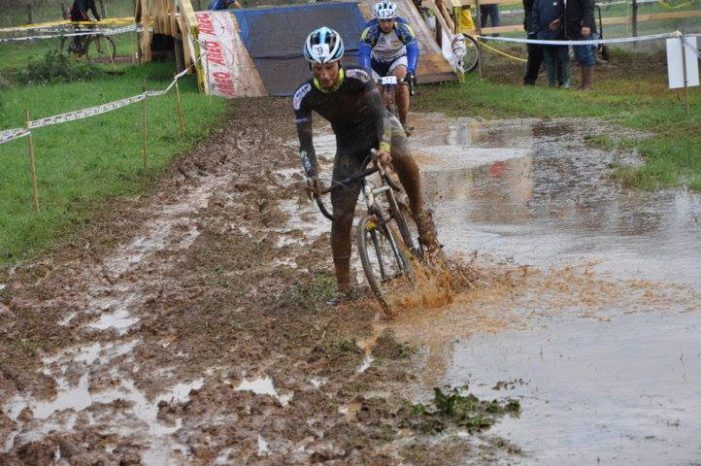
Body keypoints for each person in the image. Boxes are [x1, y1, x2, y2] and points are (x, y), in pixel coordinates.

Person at [292, 27, 438, 304]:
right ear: (311, 66)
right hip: (348, 145)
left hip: (380, 128)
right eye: (318, 68)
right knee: (341, 215)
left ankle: (419, 213)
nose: (324, 75)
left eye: (330, 67)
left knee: (401, 154)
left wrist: (383, 148)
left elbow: (382, 114)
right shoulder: (304, 96)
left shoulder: (359, 77)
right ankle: (344, 289)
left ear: (338, 62)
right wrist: (312, 175)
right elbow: (305, 144)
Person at [359, 0, 420, 130]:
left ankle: (403, 122)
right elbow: (364, 54)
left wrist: (411, 70)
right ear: (377, 19)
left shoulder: (403, 28)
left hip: (397, 59)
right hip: (376, 62)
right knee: (375, 92)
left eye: (389, 20)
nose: (386, 24)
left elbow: (413, 49)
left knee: (402, 84)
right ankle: (376, 123)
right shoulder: (370, 31)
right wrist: (367, 72)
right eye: (382, 21)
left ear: (394, 18)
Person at [529, 0, 570, 88]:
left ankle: (565, 82)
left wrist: (560, 21)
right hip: (544, 36)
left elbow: (568, 12)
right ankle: (551, 83)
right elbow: (535, 16)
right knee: (549, 60)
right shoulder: (538, 2)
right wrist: (538, 32)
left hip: (560, 35)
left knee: (563, 58)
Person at [563, 0, 597, 89]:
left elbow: (588, 9)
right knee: (581, 58)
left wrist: (586, 25)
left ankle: (589, 84)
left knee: (586, 57)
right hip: (575, 31)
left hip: (584, 31)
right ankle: (583, 84)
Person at [522, 0, 543, 85]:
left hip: (546, 19)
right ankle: (530, 79)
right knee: (534, 52)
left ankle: (559, 80)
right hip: (533, 22)